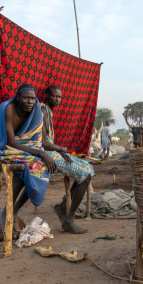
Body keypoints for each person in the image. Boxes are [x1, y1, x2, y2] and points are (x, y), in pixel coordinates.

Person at [0, 84, 56, 237]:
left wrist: (44, 153)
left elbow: (35, 140)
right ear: (18, 97)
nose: (30, 101)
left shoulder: (35, 112)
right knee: (25, 166)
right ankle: (7, 215)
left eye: (32, 98)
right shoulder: (7, 108)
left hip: (23, 147)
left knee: (39, 168)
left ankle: (12, 210)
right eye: (26, 98)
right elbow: (11, 142)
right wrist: (42, 153)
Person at [41, 85, 94, 234]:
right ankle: (69, 220)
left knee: (89, 168)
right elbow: (43, 143)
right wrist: (61, 149)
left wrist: (61, 151)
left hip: (54, 152)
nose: (57, 99)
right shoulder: (43, 111)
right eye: (54, 96)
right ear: (46, 96)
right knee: (85, 177)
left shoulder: (48, 111)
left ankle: (62, 206)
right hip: (46, 155)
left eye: (59, 97)